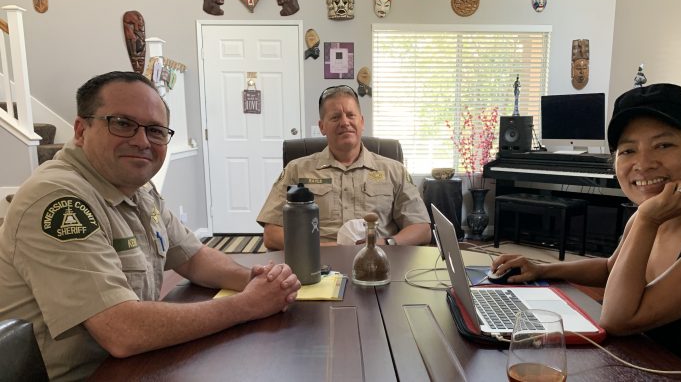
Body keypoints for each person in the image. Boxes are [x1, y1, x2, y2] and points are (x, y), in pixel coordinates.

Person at [0, 71, 301, 381]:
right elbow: (121, 330)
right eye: (122, 124)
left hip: (135, 364)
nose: (142, 141)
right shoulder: (58, 200)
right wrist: (246, 305)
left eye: (155, 130)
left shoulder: (137, 190)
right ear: (81, 129)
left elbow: (192, 257)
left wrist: (255, 279)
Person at [490, 83, 681, 380]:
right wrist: (543, 268)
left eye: (663, 145)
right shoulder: (648, 217)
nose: (643, 163)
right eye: (628, 150)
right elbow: (613, 270)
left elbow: (618, 318)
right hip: (638, 366)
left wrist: (647, 219)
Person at [258, 85, 432, 250]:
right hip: (317, 263)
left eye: (351, 115)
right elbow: (272, 234)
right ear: (322, 127)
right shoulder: (297, 170)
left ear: (362, 122)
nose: (344, 122)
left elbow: (421, 228)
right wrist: (322, 248)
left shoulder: (394, 171)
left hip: (380, 261)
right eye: (335, 117)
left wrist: (384, 243)